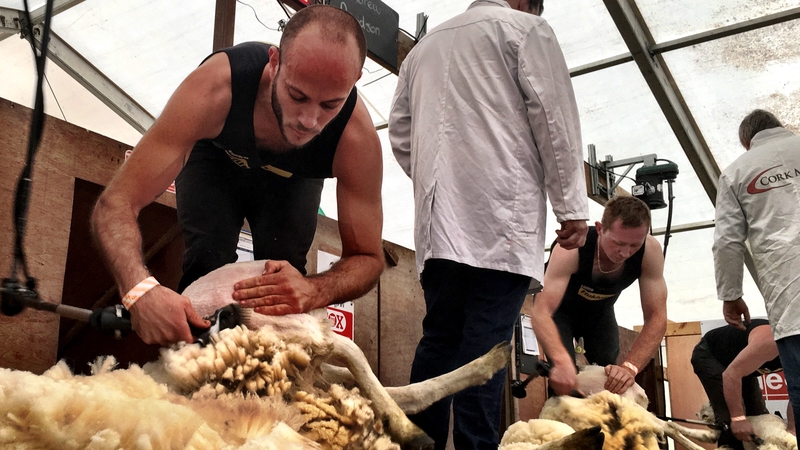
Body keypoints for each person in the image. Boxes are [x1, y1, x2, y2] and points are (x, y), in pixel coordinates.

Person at [91, 5, 384, 346]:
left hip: (294, 180)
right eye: (297, 95)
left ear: (354, 82)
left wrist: (313, 291)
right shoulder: (216, 88)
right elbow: (115, 204)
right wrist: (139, 291)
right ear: (274, 63)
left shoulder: (356, 139)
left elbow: (368, 258)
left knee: (283, 275)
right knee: (207, 257)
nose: (309, 120)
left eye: (330, 105)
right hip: (215, 158)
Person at [388, 0, 589, 448]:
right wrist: (571, 206)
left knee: (439, 339)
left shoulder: (424, 48)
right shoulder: (526, 30)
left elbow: (401, 133)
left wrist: (438, 181)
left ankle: (418, 444)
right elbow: (553, 119)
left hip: (439, 224)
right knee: (485, 347)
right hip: (502, 219)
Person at [714, 109, 800, 435]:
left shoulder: (737, 172)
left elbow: (727, 241)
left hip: (792, 300)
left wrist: (731, 295)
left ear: (745, 142)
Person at [529, 195, 668, 396]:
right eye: (618, 243)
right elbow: (541, 312)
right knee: (565, 378)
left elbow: (657, 317)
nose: (625, 253)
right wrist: (561, 362)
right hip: (560, 312)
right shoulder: (571, 249)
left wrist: (630, 367)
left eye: (634, 245)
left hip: (600, 313)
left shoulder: (650, 251)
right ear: (601, 229)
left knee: (610, 375)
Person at [691, 320, 789, 449]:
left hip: (740, 365)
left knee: (759, 416)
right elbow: (730, 376)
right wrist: (738, 418)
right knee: (730, 421)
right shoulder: (771, 342)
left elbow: (797, 394)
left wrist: (792, 432)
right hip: (711, 355)